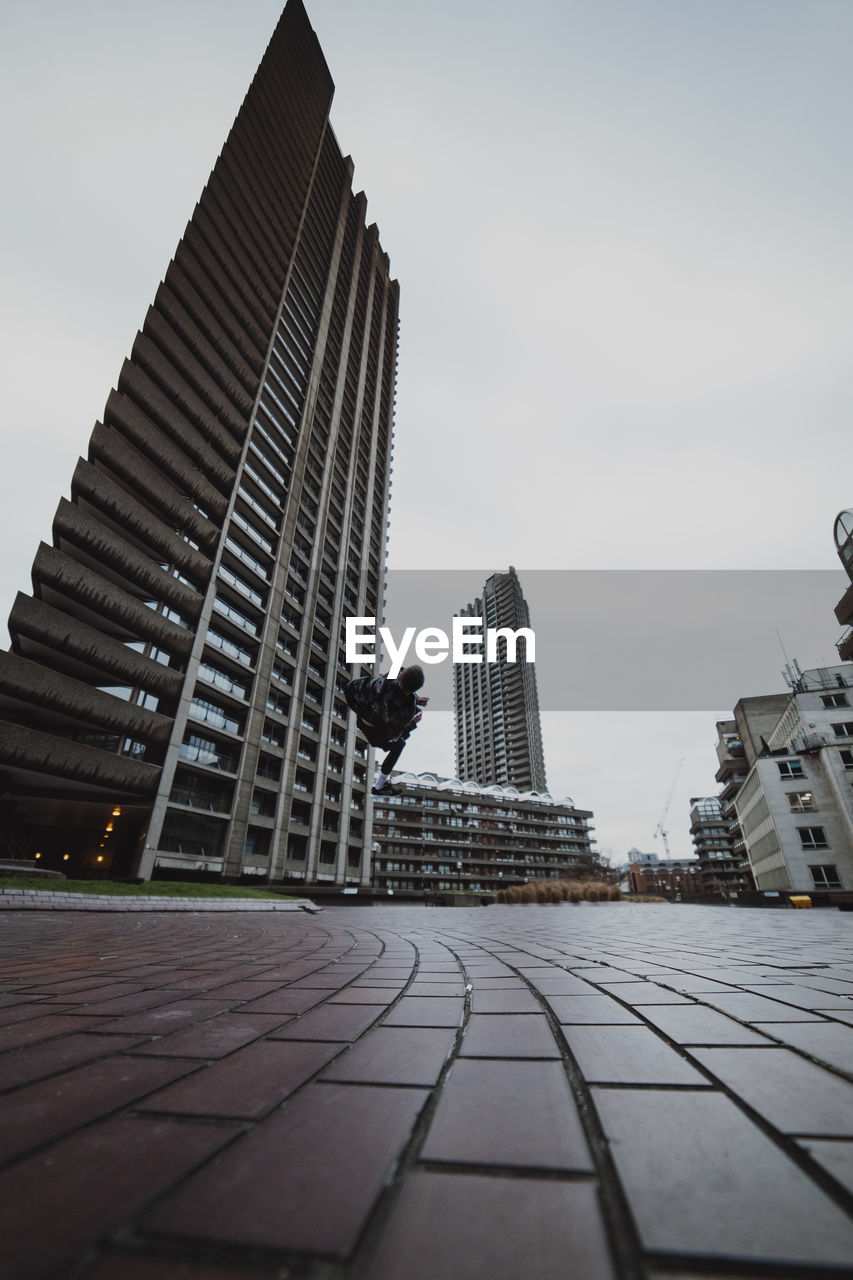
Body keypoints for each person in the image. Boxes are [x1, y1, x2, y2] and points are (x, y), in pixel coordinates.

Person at [344, 665, 428, 794]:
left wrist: (416, 699)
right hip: (373, 731)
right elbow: (394, 736)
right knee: (399, 744)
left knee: (392, 713)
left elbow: (403, 675)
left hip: (354, 692)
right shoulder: (405, 712)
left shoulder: (392, 675)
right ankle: (378, 787)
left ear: (400, 675)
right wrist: (412, 723)